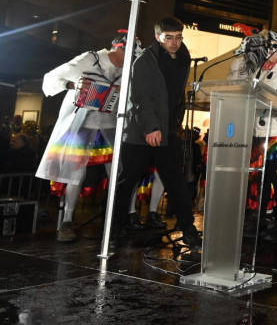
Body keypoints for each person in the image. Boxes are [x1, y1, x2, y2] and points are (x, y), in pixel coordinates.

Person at [110, 16, 202, 251]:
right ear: (158, 37)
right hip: (141, 133)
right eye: (169, 38)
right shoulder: (145, 60)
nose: (174, 42)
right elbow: (141, 97)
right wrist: (151, 127)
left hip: (168, 132)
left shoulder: (183, 58)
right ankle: (112, 229)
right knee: (126, 182)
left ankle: (189, 230)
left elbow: (176, 96)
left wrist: (174, 125)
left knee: (177, 183)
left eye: (178, 37)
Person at [36, 30, 134, 242]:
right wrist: (73, 86)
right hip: (81, 125)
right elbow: (53, 77)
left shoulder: (128, 70)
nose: (133, 57)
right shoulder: (90, 59)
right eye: (131, 52)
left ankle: (116, 222)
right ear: (119, 48)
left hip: (109, 127)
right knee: (74, 173)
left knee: (119, 173)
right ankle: (67, 222)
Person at [233, 31, 277, 241]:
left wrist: (268, 104)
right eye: (269, 46)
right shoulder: (262, 71)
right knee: (261, 177)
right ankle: (261, 220)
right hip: (261, 132)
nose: (270, 50)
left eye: (275, 47)